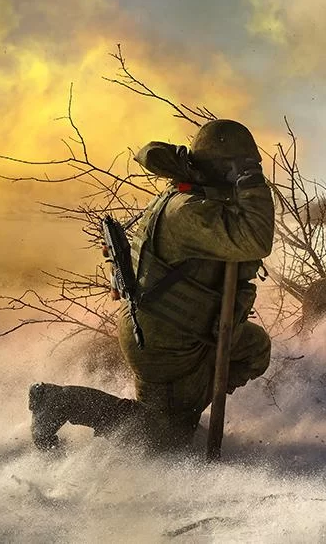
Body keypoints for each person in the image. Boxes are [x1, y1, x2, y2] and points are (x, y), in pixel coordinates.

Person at [28, 119, 275, 451]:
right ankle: (58, 402)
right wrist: (252, 184)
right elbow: (256, 239)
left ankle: (180, 410)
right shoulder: (185, 210)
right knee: (162, 439)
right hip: (163, 343)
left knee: (254, 349)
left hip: (185, 332)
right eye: (240, 168)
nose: (241, 177)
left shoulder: (194, 200)